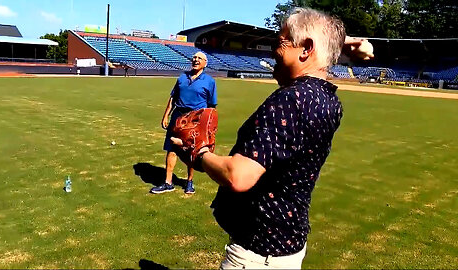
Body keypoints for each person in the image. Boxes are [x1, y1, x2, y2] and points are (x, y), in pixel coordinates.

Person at [175, 8, 370, 269]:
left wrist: (199, 155)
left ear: (306, 49)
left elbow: (238, 176)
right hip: (290, 245)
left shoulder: (289, 100)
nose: (273, 51)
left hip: (256, 254)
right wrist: (338, 39)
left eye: (281, 43)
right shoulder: (329, 100)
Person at [150, 51, 217, 195]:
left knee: (191, 151)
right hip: (178, 116)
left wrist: (208, 124)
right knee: (172, 148)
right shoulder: (182, 78)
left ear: (205, 63)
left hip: (195, 119)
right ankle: (168, 183)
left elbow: (212, 106)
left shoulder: (209, 81)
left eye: (199, 58)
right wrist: (166, 115)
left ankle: (189, 181)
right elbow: (173, 98)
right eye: (194, 57)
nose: (196, 60)